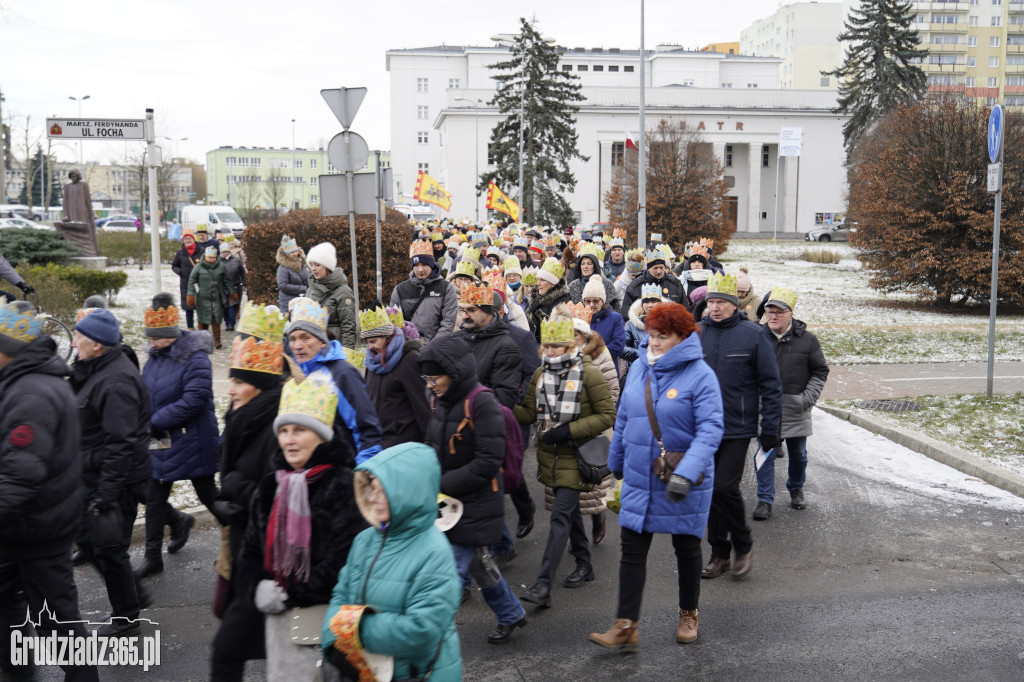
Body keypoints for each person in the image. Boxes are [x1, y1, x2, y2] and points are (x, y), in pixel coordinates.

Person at [590, 302, 723, 651]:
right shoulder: (638, 369)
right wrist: (615, 462)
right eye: (652, 334)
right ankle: (625, 624)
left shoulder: (700, 375)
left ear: (683, 337)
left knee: (686, 547)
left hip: (682, 477)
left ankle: (688, 613)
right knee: (632, 550)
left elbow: (711, 430)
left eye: (664, 336)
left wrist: (688, 473)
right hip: (638, 474)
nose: (655, 342)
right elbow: (624, 419)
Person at [236, 370, 366, 681]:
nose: (289, 440)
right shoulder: (270, 486)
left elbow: (346, 560)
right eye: (285, 431)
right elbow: (251, 548)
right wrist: (259, 586)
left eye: (300, 431)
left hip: (331, 621)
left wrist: (293, 593)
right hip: (280, 622)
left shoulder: (343, 484)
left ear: (321, 435)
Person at [0, 301, 99, 681]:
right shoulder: (21, 383)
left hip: (37, 532)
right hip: (20, 530)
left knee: (60, 629)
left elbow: (20, 475)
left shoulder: (31, 395)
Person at [418, 335, 528, 644]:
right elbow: (433, 444)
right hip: (447, 505)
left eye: (433, 378)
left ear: (453, 373)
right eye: (426, 379)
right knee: (480, 565)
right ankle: (511, 613)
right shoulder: (442, 400)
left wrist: (439, 484)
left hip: (475, 504)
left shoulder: (482, 401)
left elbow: (488, 462)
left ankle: (430, 638)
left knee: (449, 574)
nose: (429, 385)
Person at [321, 442, 462, 681]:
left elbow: (421, 630)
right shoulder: (365, 540)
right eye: (370, 488)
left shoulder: (435, 552)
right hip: (367, 671)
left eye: (381, 490)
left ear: (407, 492)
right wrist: (334, 641)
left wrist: (352, 632)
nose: (372, 497)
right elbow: (340, 596)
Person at [515, 309, 616, 608]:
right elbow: (529, 414)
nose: (550, 351)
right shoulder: (539, 373)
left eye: (556, 346)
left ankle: (543, 585)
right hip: (551, 456)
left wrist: (568, 430)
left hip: (578, 454)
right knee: (569, 514)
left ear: (571, 346)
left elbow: (607, 414)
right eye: (546, 346)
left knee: (560, 516)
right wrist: (504, 406)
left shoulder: (589, 373)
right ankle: (585, 564)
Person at [209, 304, 287, 681]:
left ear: (259, 382)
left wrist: (236, 493)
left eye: (240, 380)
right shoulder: (242, 417)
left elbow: (280, 493)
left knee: (227, 652)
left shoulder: (276, 424)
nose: (233, 388)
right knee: (273, 649)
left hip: (268, 561)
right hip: (243, 551)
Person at [69, 308, 153, 636]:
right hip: (91, 474)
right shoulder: (95, 368)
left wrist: (106, 493)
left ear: (98, 345)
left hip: (115, 479)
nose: (74, 342)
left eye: (79, 337)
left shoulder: (116, 380)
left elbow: (121, 442)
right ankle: (133, 594)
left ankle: (127, 615)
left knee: (109, 548)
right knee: (89, 540)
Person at [698, 273, 782, 580]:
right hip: (703, 427)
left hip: (738, 425)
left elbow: (771, 384)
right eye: (711, 302)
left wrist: (771, 427)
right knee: (709, 490)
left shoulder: (752, 335)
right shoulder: (696, 334)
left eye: (721, 302)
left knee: (725, 487)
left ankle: (742, 544)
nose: (715, 308)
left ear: (735, 304)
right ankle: (719, 553)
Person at [135, 293, 220, 579]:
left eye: (157, 338)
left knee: (207, 493)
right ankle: (151, 557)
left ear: (171, 335)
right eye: (150, 337)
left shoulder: (195, 357)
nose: (152, 343)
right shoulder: (155, 357)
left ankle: (240, 539)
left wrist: (156, 421)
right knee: (154, 495)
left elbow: (195, 398)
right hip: (161, 438)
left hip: (193, 438)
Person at [753, 287, 830, 520]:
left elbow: (820, 371)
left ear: (791, 313)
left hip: (796, 405)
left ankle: (796, 487)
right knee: (764, 453)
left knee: (799, 454)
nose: (773, 316)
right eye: (769, 311)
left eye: (778, 312)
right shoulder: (756, 337)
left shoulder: (807, 340)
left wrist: (807, 399)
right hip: (765, 407)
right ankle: (765, 499)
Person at [286, 297, 383, 464]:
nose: (297, 345)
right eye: (293, 339)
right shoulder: (291, 376)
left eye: (305, 338)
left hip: (341, 474)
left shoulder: (343, 374)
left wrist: (360, 474)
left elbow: (368, 430)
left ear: (322, 342)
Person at [571, 307, 618, 545]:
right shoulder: (559, 354)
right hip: (568, 426)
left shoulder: (600, 354)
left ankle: (599, 515)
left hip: (595, 426)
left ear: (585, 336)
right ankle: (575, 533)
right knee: (570, 481)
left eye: (575, 335)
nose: (571, 340)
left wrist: (594, 415)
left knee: (594, 479)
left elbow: (612, 390)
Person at [360, 306, 431, 448]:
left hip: (405, 445)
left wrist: (430, 445)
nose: (370, 348)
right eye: (367, 342)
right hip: (379, 443)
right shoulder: (372, 364)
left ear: (388, 337)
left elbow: (422, 407)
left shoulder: (409, 359)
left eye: (373, 341)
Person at [454, 281, 523, 409]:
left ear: (487, 312)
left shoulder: (506, 348)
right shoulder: (455, 340)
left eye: (471, 310)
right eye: (462, 310)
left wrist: (463, 400)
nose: (464, 316)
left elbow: (504, 398)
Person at [389, 239, 458, 342]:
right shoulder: (400, 290)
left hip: (435, 347)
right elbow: (395, 321)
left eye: (424, 265)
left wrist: (434, 345)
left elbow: (448, 321)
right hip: (408, 347)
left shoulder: (446, 288)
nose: (420, 269)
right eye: (416, 266)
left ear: (432, 265)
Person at [306, 242, 359, 349]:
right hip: (313, 347)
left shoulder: (343, 291)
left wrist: (347, 353)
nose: (313, 269)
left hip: (333, 348)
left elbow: (348, 326)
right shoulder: (311, 288)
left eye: (317, 264)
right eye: (311, 265)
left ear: (327, 267)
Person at [187, 245, 237, 350]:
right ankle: (202, 342)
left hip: (216, 298)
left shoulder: (221, 267)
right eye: (209, 257)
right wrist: (191, 295)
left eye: (213, 258)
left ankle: (217, 341)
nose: (211, 259)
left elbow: (226, 281)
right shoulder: (198, 267)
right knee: (203, 320)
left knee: (216, 320)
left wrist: (232, 292)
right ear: (205, 256)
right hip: (202, 298)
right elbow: (192, 281)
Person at [581, 276, 626, 376]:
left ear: (602, 301)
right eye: (588, 301)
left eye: (596, 301)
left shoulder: (615, 318)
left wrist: (594, 354)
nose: (592, 305)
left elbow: (618, 345)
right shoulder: (579, 319)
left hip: (607, 371)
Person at [620, 247, 685, 313]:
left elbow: (685, 310)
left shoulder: (675, 284)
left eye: (661, 267)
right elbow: (626, 314)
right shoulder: (635, 286)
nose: (659, 271)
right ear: (648, 269)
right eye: (655, 268)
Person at [525, 258, 571, 343]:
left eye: (542, 280)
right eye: (538, 279)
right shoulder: (534, 297)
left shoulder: (563, 303)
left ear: (553, 283)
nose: (538, 283)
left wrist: (541, 313)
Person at [622, 284, 663, 371]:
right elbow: (622, 347)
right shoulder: (631, 325)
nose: (650, 305)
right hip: (638, 369)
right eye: (646, 302)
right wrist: (642, 354)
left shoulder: (668, 324)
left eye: (653, 302)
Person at [171, 226, 201, 329]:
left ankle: (200, 323)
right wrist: (180, 272)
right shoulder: (180, 253)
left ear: (193, 239)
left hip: (199, 282)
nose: (187, 241)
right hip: (185, 283)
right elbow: (174, 266)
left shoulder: (201, 251)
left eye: (189, 238)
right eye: (185, 239)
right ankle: (190, 326)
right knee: (188, 305)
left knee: (199, 304)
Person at [276, 234, 311, 311]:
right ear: (286, 254)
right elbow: (283, 286)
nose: (295, 254)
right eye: (292, 252)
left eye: (296, 251)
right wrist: (304, 289)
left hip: (304, 302)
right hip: (290, 304)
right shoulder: (283, 268)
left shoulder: (304, 264)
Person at [220, 242, 246, 331]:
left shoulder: (236, 260)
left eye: (227, 251)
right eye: (223, 252)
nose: (225, 253)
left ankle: (231, 324)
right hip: (222, 289)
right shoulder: (218, 261)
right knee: (225, 307)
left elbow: (242, 272)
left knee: (232, 306)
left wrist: (244, 282)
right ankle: (227, 323)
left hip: (234, 287)